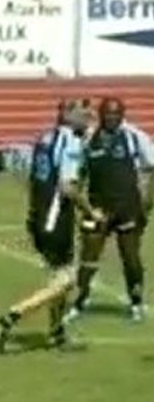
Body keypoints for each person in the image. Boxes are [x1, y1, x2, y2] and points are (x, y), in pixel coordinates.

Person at [0, 101, 96, 354]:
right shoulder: (69, 141)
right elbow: (67, 186)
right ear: (68, 115)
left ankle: (56, 333)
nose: (89, 117)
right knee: (66, 280)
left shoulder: (46, 138)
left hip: (40, 214)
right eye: (83, 113)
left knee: (60, 274)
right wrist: (91, 211)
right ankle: (9, 318)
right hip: (54, 218)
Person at [68, 97, 154, 322]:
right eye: (107, 113)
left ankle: (135, 302)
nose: (112, 118)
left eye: (116, 114)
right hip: (98, 208)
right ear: (101, 114)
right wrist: (85, 207)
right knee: (89, 255)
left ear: (123, 114)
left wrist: (147, 203)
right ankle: (80, 300)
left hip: (128, 207)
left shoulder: (135, 137)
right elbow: (78, 175)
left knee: (131, 258)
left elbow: (152, 168)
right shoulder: (89, 140)